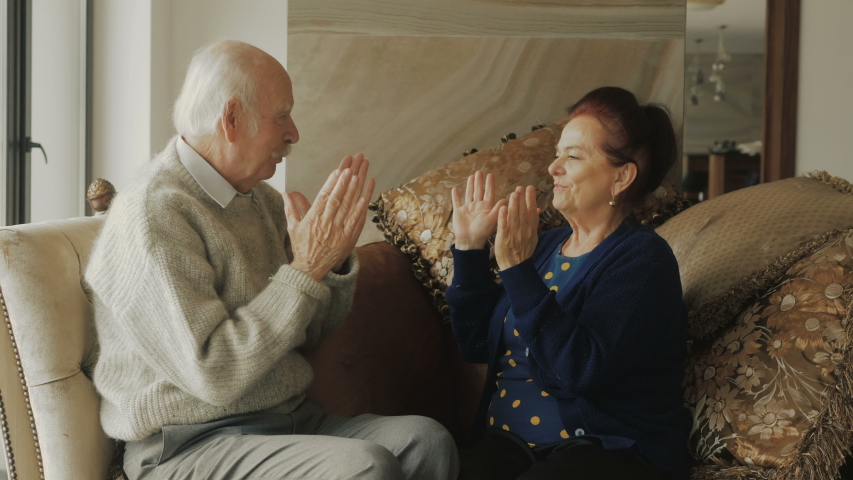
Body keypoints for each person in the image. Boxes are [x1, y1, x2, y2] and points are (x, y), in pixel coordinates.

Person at [85, 40, 458, 480]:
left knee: (428, 441)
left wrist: (330, 264)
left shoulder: (259, 199)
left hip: (284, 423)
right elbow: (214, 374)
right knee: (365, 467)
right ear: (232, 119)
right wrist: (304, 271)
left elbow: (309, 331)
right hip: (187, 444)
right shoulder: (154, 215)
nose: (294, 133)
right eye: (282, 115)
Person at [447, 86, 691, 480]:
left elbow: (577, 370)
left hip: (606, 449)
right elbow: (476, 344)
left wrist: (517, 271)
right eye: (558, 154)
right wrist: (471, 249)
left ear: (622, 176)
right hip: (508, 447)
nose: (553, 168)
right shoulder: (543, 247)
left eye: (573, 156)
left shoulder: (643, 259)